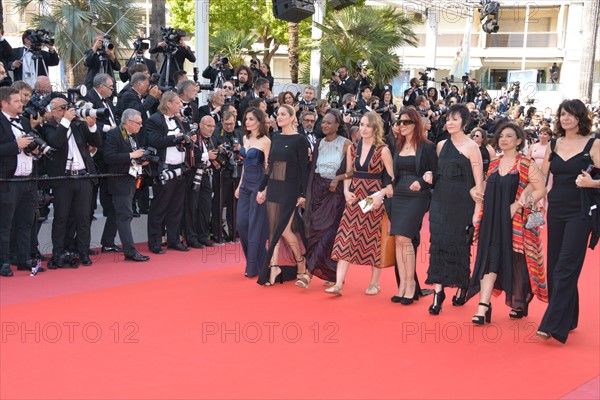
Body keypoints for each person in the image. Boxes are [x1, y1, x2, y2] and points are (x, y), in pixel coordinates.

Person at [467, 122, 547, 325]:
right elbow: (485, 186)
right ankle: (483, 306)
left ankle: (519, 301)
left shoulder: (526, 163)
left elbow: (541, 189)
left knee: (517, 261)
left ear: (519, 140)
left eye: (509, 136)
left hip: (516, 221)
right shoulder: (494, 162)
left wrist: (518, 204)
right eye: (501, 136)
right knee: (489, 259)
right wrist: (475, 191)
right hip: (491, 219)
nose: (504, 139)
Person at [537, 99, 600, 343]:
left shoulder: (593, 144)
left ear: (580, 118)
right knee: (554, 267)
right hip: (556, 210)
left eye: (571, 115)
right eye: (562, 114)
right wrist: (530, 199)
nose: (565, 118)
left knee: (566, 265)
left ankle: (552, 323)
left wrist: (592, 183)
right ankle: (570, 316)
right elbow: (542, 178)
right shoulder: (554, 143)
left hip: (581, 212)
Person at [326, 111, 394, 296]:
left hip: (372, 198)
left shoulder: (383, 150)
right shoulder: (353, 149)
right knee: (344, 238)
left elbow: (392, 179)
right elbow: (349, 173)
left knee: (373, 240)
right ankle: (339, 284)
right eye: (361, 125)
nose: (363, 129)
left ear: (375, 128)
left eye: (368, 125)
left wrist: (380, 195)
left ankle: (374, 283)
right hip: (355, 198)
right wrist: (347, 191)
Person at [425, 104, 484, 314]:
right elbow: (437, 174)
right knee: (438, 244)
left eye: (455, 119)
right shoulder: (441, 145)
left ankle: (462, 284)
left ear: (464, 123)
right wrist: (429, 177)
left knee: (459, 245)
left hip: (462, 205)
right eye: (448, 119)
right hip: (440, 201)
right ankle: (438, 292)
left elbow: (479, 183)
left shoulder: (472, 147)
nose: (450, 123)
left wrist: (477, 211)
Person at [43, 96, 101, 267]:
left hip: (83, 176)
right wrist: (65, 122)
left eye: (67, 107)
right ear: (52, 112)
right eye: (61, 108)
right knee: (61, 217)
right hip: (64, 179)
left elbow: (96, 142)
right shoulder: (49, 127)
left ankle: (82, 252)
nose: (66, 111)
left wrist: (92, 126)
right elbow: (55, 143)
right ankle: (58, 253)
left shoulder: (78, 124)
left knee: (83, 218)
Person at [256, 104, 310, 287]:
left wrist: (303, 193)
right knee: (273, 232)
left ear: (292, 117)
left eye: (283, 114)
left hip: (290, 189)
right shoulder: (276, 137)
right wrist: (263, 188)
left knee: (285, 230)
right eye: (277, 114)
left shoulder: (300, 140)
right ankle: (274, 267)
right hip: (274, 187)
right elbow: (270, 165)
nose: (279, 117)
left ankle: (301, 263)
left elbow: (304, 168)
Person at [389, 108, 437, 304]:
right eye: (400, 122)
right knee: (398, 240)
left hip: (417, 197)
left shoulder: (426, 147)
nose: (402, 125)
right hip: (398, 195)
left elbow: (435, 172)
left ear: (416, 125)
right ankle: (401, 285)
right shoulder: (397, 145)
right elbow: (393, 173)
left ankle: (410, 286)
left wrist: (422, 182)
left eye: (406, 122)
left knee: (405, 239)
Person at [304, 110, 351, 285]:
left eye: (329, 123)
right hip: (318, 191)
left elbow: (353, 170)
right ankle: (331, 274)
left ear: (338, 125)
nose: (324, 125)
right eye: (323, 122)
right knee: (316, 232)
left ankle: (309, 271)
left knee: (329, 233)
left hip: (335, 195)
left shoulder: (346, 144)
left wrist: (338, 179)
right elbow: (313, 170)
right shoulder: (319, 143)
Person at [0, 86, 43, 276]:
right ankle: (3, 262)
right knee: (5, 224)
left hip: (28, 180)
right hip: (7, 181)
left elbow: (29, 147)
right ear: (4, 103)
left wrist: (34, 151)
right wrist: (15, 145)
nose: (21, 103)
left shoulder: (25, 122)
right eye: (16, 101)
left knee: (26, 222)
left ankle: (24, 259)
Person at [145, 91, 190, 254]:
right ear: (168, 104)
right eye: (178, 102)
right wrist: (175, 138)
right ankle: (155, 242)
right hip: (163, 170)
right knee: (159, 208)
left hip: (180, 169)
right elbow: (154, 141)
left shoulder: (178, 119)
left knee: (176, 208)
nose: (180, 105)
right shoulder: (154, 120)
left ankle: (174, 239)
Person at [103, 109, 150, 262]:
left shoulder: (132, 136)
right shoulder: (114, 134)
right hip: (119, 180)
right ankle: (130, 251)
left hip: (129, 178)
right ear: (127, 122)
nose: (141, 126)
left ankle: (108, 243)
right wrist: (132, 155)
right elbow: (109, 158)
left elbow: (130, 156)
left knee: (116, 213)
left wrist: (139, 160)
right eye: (138, 123)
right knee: (125, 215)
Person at [235, 108, 271, 277]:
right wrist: (239, 185)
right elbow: (244, 165)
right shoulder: (245, 138)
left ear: (259, 121)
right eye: (245, 119)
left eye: (250, 119)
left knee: (255, 226)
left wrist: (264, 189)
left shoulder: (265, 141)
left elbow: (268, 168)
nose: (247, 122)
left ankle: (252, 267)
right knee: (242, 223)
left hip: (258, 185)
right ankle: (263, 260)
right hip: (244, 186)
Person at [528, 125, 553, 212]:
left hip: (547, 174)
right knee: (533, 193)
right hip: (533, 173)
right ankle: (533, 213)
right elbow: (528, 158)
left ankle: (543, 215)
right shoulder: (533, 146)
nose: (542, 136)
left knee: (545, 193)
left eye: (545, 134)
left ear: (549, 136)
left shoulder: (551, 147)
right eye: (541, 133)